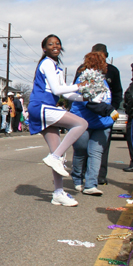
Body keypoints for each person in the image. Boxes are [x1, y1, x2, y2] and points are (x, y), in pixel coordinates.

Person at [27, 34, 88, 207]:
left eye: (58, 43)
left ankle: (58, 193)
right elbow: (56, 89)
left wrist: (87, 97)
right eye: (51, 44)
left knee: (59, 152)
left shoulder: (56, 67)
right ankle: (54, 157)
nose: (55, 46)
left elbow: (66, 94)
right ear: (44, 48)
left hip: (44, 108)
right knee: (81, 123)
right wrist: (80, 85)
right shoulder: (46, 63)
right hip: (42, 106)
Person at [70, 51, 116, 196]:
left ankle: (90, 184)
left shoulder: (103, 81)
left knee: (96, 153)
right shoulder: (84, 78)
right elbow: (89, 103)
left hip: (102, 123)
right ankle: (77, 178)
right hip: (83, 122)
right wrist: (109, 110)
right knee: (81, 150)